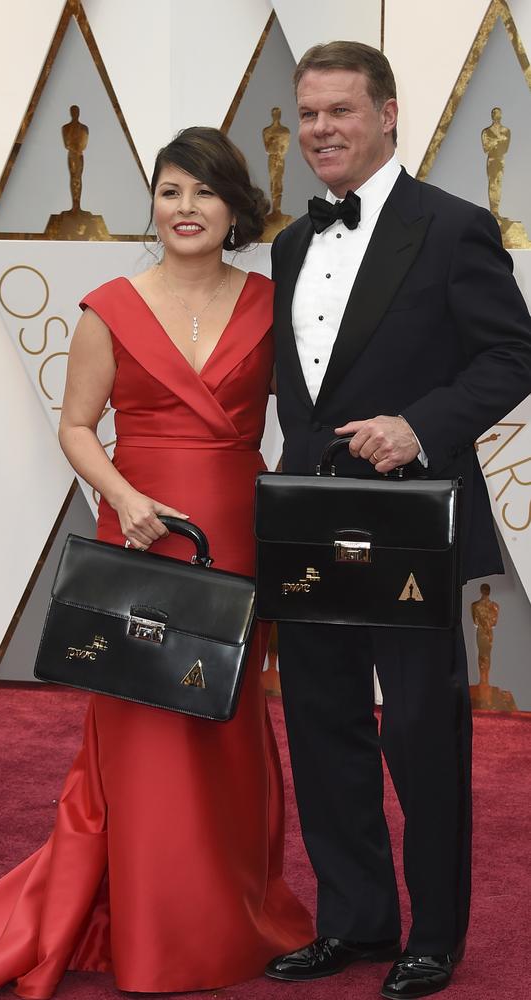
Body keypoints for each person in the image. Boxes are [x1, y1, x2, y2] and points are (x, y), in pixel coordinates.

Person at [0, 127, 312, 998]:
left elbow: (305, 412)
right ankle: (154, 924)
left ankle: (228, 910)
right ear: (152, 204)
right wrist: (124, 500)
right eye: (170, 191)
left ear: (234, 209)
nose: (185, 208)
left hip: (235, 532)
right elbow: (76, 426)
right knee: (144, 729)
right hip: (144, 533)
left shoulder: (273, 305)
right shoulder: (108, 306)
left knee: (226, 725)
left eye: (204, 192)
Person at [264, 41, 531, 999]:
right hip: (308, 520)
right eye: (308, 116)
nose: (322, 131)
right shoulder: (290, 243)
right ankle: (358, 923)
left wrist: (418, 426)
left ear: (387, 115)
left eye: (340, 111)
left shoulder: (454, 228)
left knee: (421, 733)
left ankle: (435, 937)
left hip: (412, 520)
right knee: (323, 723)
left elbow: (511, 356)